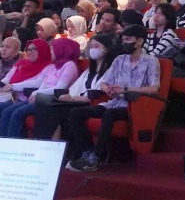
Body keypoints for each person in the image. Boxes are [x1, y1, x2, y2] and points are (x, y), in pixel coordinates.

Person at [64, 25, 161, 173]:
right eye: (123, 39)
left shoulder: (151, 61)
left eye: (128, 39)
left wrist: (126, 90)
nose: (124, 42)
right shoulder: (119, 60)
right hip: (113, 102)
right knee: (76, 113)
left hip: (134, 105)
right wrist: (107, 89)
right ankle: (87, 152)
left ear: (140, 41)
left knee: (109, 114)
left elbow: (154, 88)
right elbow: (104, 82)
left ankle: (96, 158)